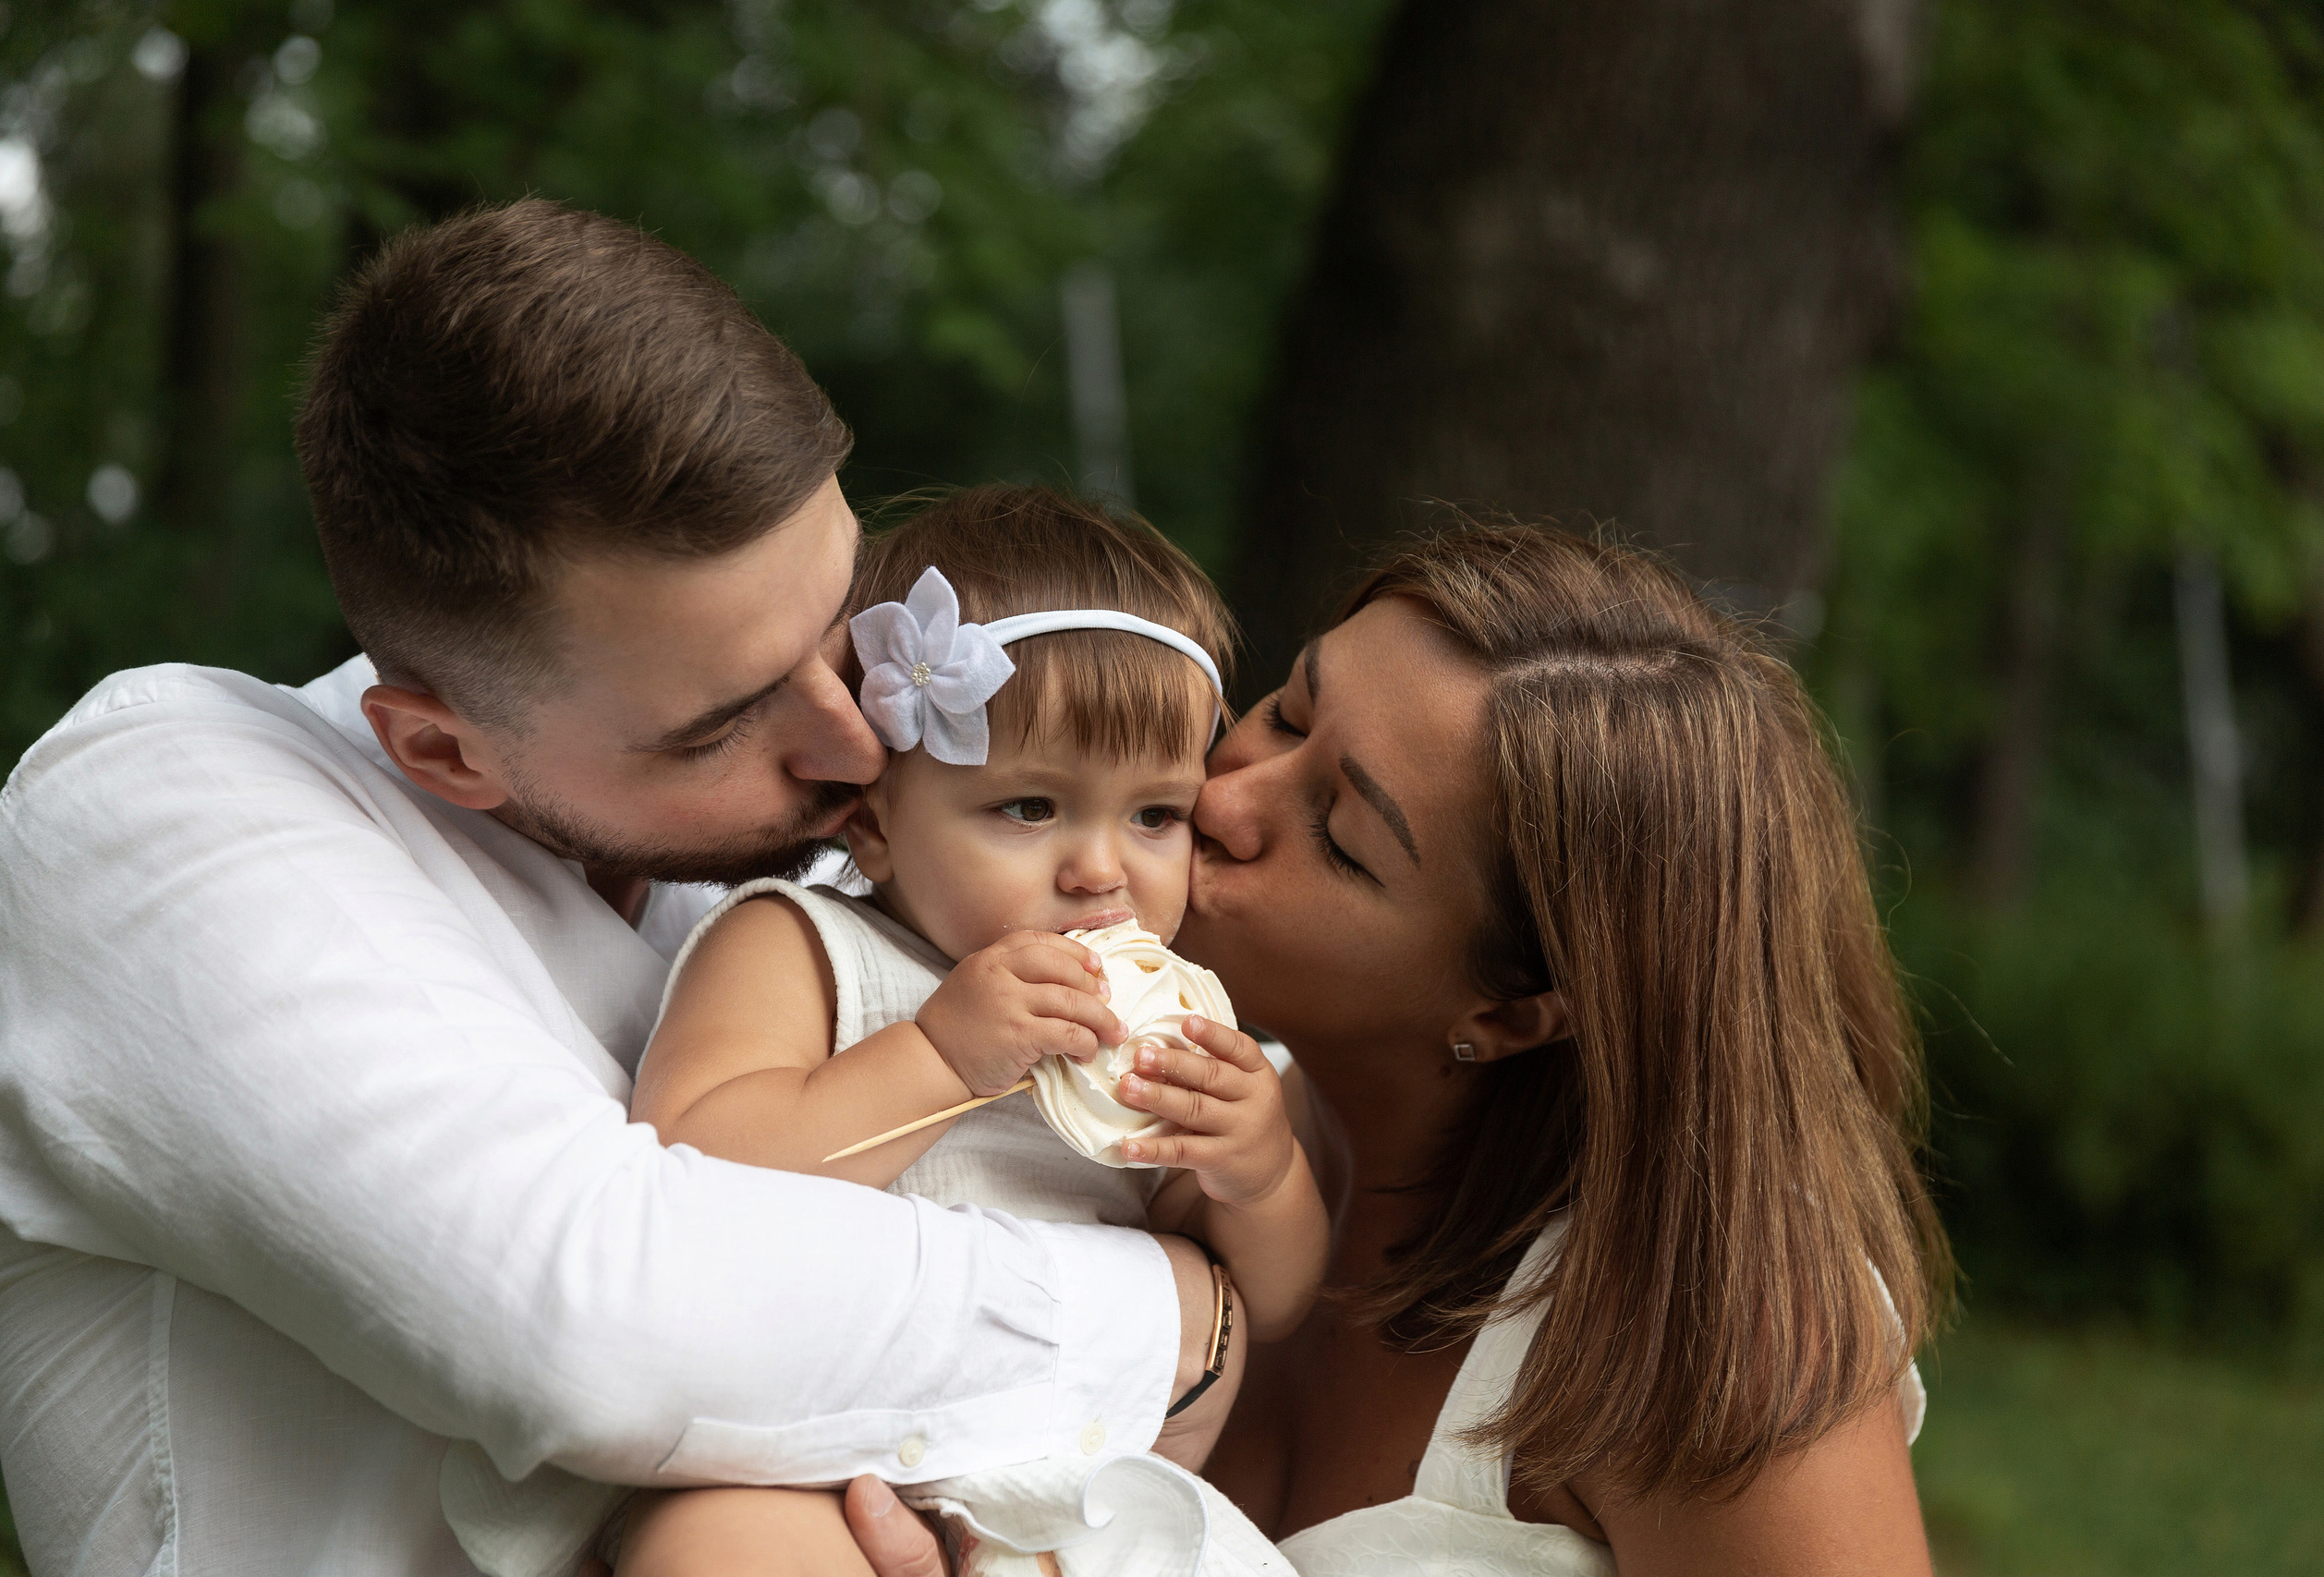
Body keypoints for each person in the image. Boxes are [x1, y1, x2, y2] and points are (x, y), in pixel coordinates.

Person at [0, 201, 1223, 1576]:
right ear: (444, 749)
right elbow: (589, 1324)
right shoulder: (160, 801)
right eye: (724, 722)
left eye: (848, 635)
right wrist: (1181, 1319)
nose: (854, 739)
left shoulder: (822, 863)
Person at [846, 521, 1950, 1576]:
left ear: (1511, 1010)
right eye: (1283, 712)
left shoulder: (1718, 1331)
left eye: (1341, 837)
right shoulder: (1111, 1146)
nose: (1216, 798)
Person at [446, 487, 1325, 1577]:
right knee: (721, 1550)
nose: (1101, 870)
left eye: (1155, 815)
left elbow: (1274, 1304)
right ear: (874, 825)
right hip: (806, 1461)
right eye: (1030, 808)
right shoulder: (802, 945)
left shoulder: (1165, 1026)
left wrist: (1258, 1169)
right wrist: (938, 1056)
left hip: (1075, 1496)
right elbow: (696, 1169)